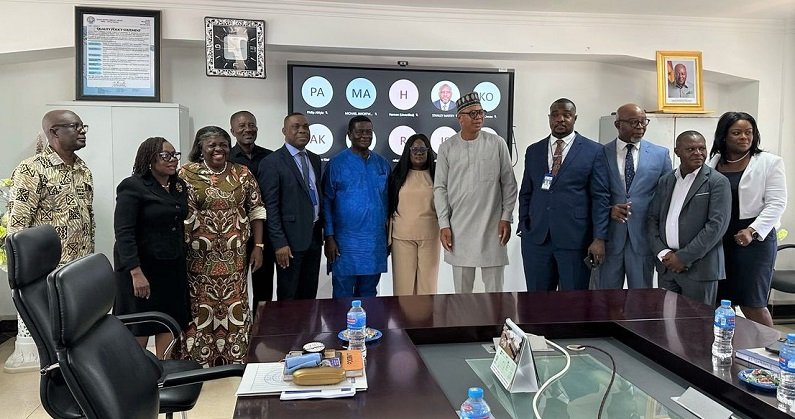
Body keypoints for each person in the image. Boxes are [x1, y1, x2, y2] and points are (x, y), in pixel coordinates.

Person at [6, 110, 94, 368]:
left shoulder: (82, 168)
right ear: (54, 132)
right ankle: (57, 385)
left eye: (83, 126)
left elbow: (87, 221)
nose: (82, 131)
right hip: (49, 276)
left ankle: (82, 383)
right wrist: (24, 281)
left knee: (82, 341)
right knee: (56, 347)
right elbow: (17, 229)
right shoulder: (31, 169)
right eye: (75, 126)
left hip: (80, 271)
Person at [179, 126, 266, 366]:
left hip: (234, 256)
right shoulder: (186, 174)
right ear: (200, 148)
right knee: (200, 305)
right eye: (212, 145)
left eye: (223, 145)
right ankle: (200, 360)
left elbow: (257, 209)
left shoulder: (242, 173)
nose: (219, 149)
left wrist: (258, 246)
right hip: (198, 258)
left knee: (234, 303)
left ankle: (235, 357)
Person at [518, 98, 609, 291]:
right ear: (549, 118)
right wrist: (523, 225)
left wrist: (599, 237)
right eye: (555, 115)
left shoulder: (594, 151)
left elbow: (600, 198)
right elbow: (526, 192)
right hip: (537, 240)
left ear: (575, 118)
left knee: (573, 301)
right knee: (537, 300)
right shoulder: (534, 150)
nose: (560, 119)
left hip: (575, 240)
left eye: (566, 115)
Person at [113, 137, 189, 359]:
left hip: (171, 267)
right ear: (149, 159)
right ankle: (136, 372)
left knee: (168, 321)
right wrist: (136, 273)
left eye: (175, 155)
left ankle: (165, 369)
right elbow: (124, 233)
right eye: (166, 156)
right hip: (141, 269)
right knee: (141, 324)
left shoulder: (178, 186)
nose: (172, 160)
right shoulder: (132, 186)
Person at [708, 112, 787, 326]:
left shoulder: (770, 162)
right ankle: (727, 343)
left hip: (754, 240)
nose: (744, 137)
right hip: (719, 239)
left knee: (752, 303)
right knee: (720, 302)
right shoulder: (713, 162)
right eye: (737, 133)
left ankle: (770, 346)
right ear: (724, 136)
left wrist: (752, 230)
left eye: (749, 132)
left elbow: (777, 203)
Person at [434, 92, 517, 293]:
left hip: (492, 227)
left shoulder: (497, 143)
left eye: (481, 112)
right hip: (459, 228)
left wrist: (506, 217)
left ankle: (495, 317)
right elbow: (440, 188)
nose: (478, 117)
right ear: (459, 118)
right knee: (462, 294)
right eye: (472, 113)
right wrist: (444, 224)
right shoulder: (447, 147)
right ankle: (464, 318)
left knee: (495, 293)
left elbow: (509, 183)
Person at [647, 131, 730, 305]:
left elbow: (716, 226)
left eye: (702, 148)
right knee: (666, 318)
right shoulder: (666, 180)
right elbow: (652, 219)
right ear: (677, 151)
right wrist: (663, 252)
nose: (698, 153)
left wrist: (683, 258)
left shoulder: (717, 182)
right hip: (667, 266)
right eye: (691, 149)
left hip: (700, 269)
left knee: (697, 320)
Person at [599, 104, 672, 289]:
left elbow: (666, 197)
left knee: (641, 297)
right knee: (606, 297)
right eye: (634, 122)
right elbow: (593, 192)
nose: (640, 127)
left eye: (643, 122)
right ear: (618, 124)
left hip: (643, 237)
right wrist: (608, 209)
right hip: (610, 237)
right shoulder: (601, 153)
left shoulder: (660, 154)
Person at [323, 116, 390, 298]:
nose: (365, 135)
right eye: (360, 132)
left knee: (369, 296)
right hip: (344, 244)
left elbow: (388, 202)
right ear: (350, 135)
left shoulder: (382, 164)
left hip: (374, 243)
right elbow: (326, 202)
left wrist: (388, 238)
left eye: (369, 132)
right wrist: (329, 237)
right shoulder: (336, 164)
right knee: (342, 296)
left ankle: (368, 320)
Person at [258, 113, 322, 300]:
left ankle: (308, 322)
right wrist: (279, 243)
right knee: (289, 297)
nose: (302, 130)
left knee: (309, 294)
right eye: (296, 126)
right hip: (289, 242)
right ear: (284, 131)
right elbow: (270, 207)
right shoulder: (272, 162)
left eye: (305, 127)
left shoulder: (314, 159)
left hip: (313, 238)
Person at [228, 110, 276, 307]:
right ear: (232, 131)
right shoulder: (226, 159)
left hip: (265, 234)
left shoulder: (271, 157)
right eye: (242, 126)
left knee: (264, 289)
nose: (248, 129)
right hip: (234, 233)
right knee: (234, 289)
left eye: (251, 125)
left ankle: (261, 326)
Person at [388, 133, 439, 295]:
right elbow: (389, 206)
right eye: (414, 149)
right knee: (403, 287)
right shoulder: (397, 176)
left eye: (423, 149)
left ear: (429, 152)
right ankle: (402, 313)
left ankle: (427, 313)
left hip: (430, 236)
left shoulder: (438, 176)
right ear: (407, 152)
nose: (419, 153)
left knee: (427, 287)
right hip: (402, 237)